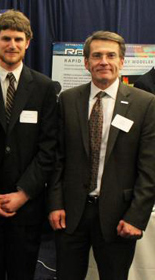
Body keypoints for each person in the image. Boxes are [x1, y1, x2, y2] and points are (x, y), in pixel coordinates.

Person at [48, 31, 155, 280]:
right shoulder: (68, 99)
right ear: (86, 62)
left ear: (121, 61)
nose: (103, 61)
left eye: (110, 55)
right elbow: (57, 159)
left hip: (119, 217)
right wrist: (55, 204)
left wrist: (136, 218)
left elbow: (150, 168)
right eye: (97, 56)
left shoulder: (145, 104)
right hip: (70, 215)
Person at [0, 10, 58, 280]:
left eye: (18, 39)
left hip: (27, 206)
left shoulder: (45, 88)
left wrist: (23, 193)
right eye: (6, 38)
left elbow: (48, 149)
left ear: (28, 42)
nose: (12, 45)